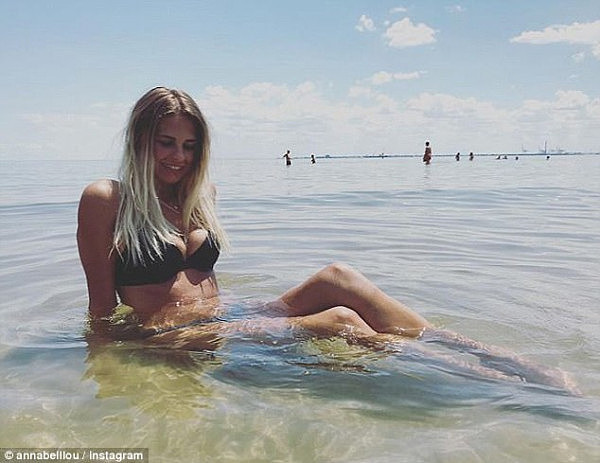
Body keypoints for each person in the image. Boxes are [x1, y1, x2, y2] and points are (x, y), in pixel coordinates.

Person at [77, 87, 578, 393]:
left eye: (189, 146)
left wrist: (246, 320)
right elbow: (101, 306)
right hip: (170, 338)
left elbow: (204, 280)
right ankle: (484, 386)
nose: (178, 157)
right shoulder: (107, 199)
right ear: (140, 139)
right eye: (166, 142)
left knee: (339, 277)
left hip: (225, 317)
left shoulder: (198, 193)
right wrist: (109, 367)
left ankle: (504, 360)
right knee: (339, 320)